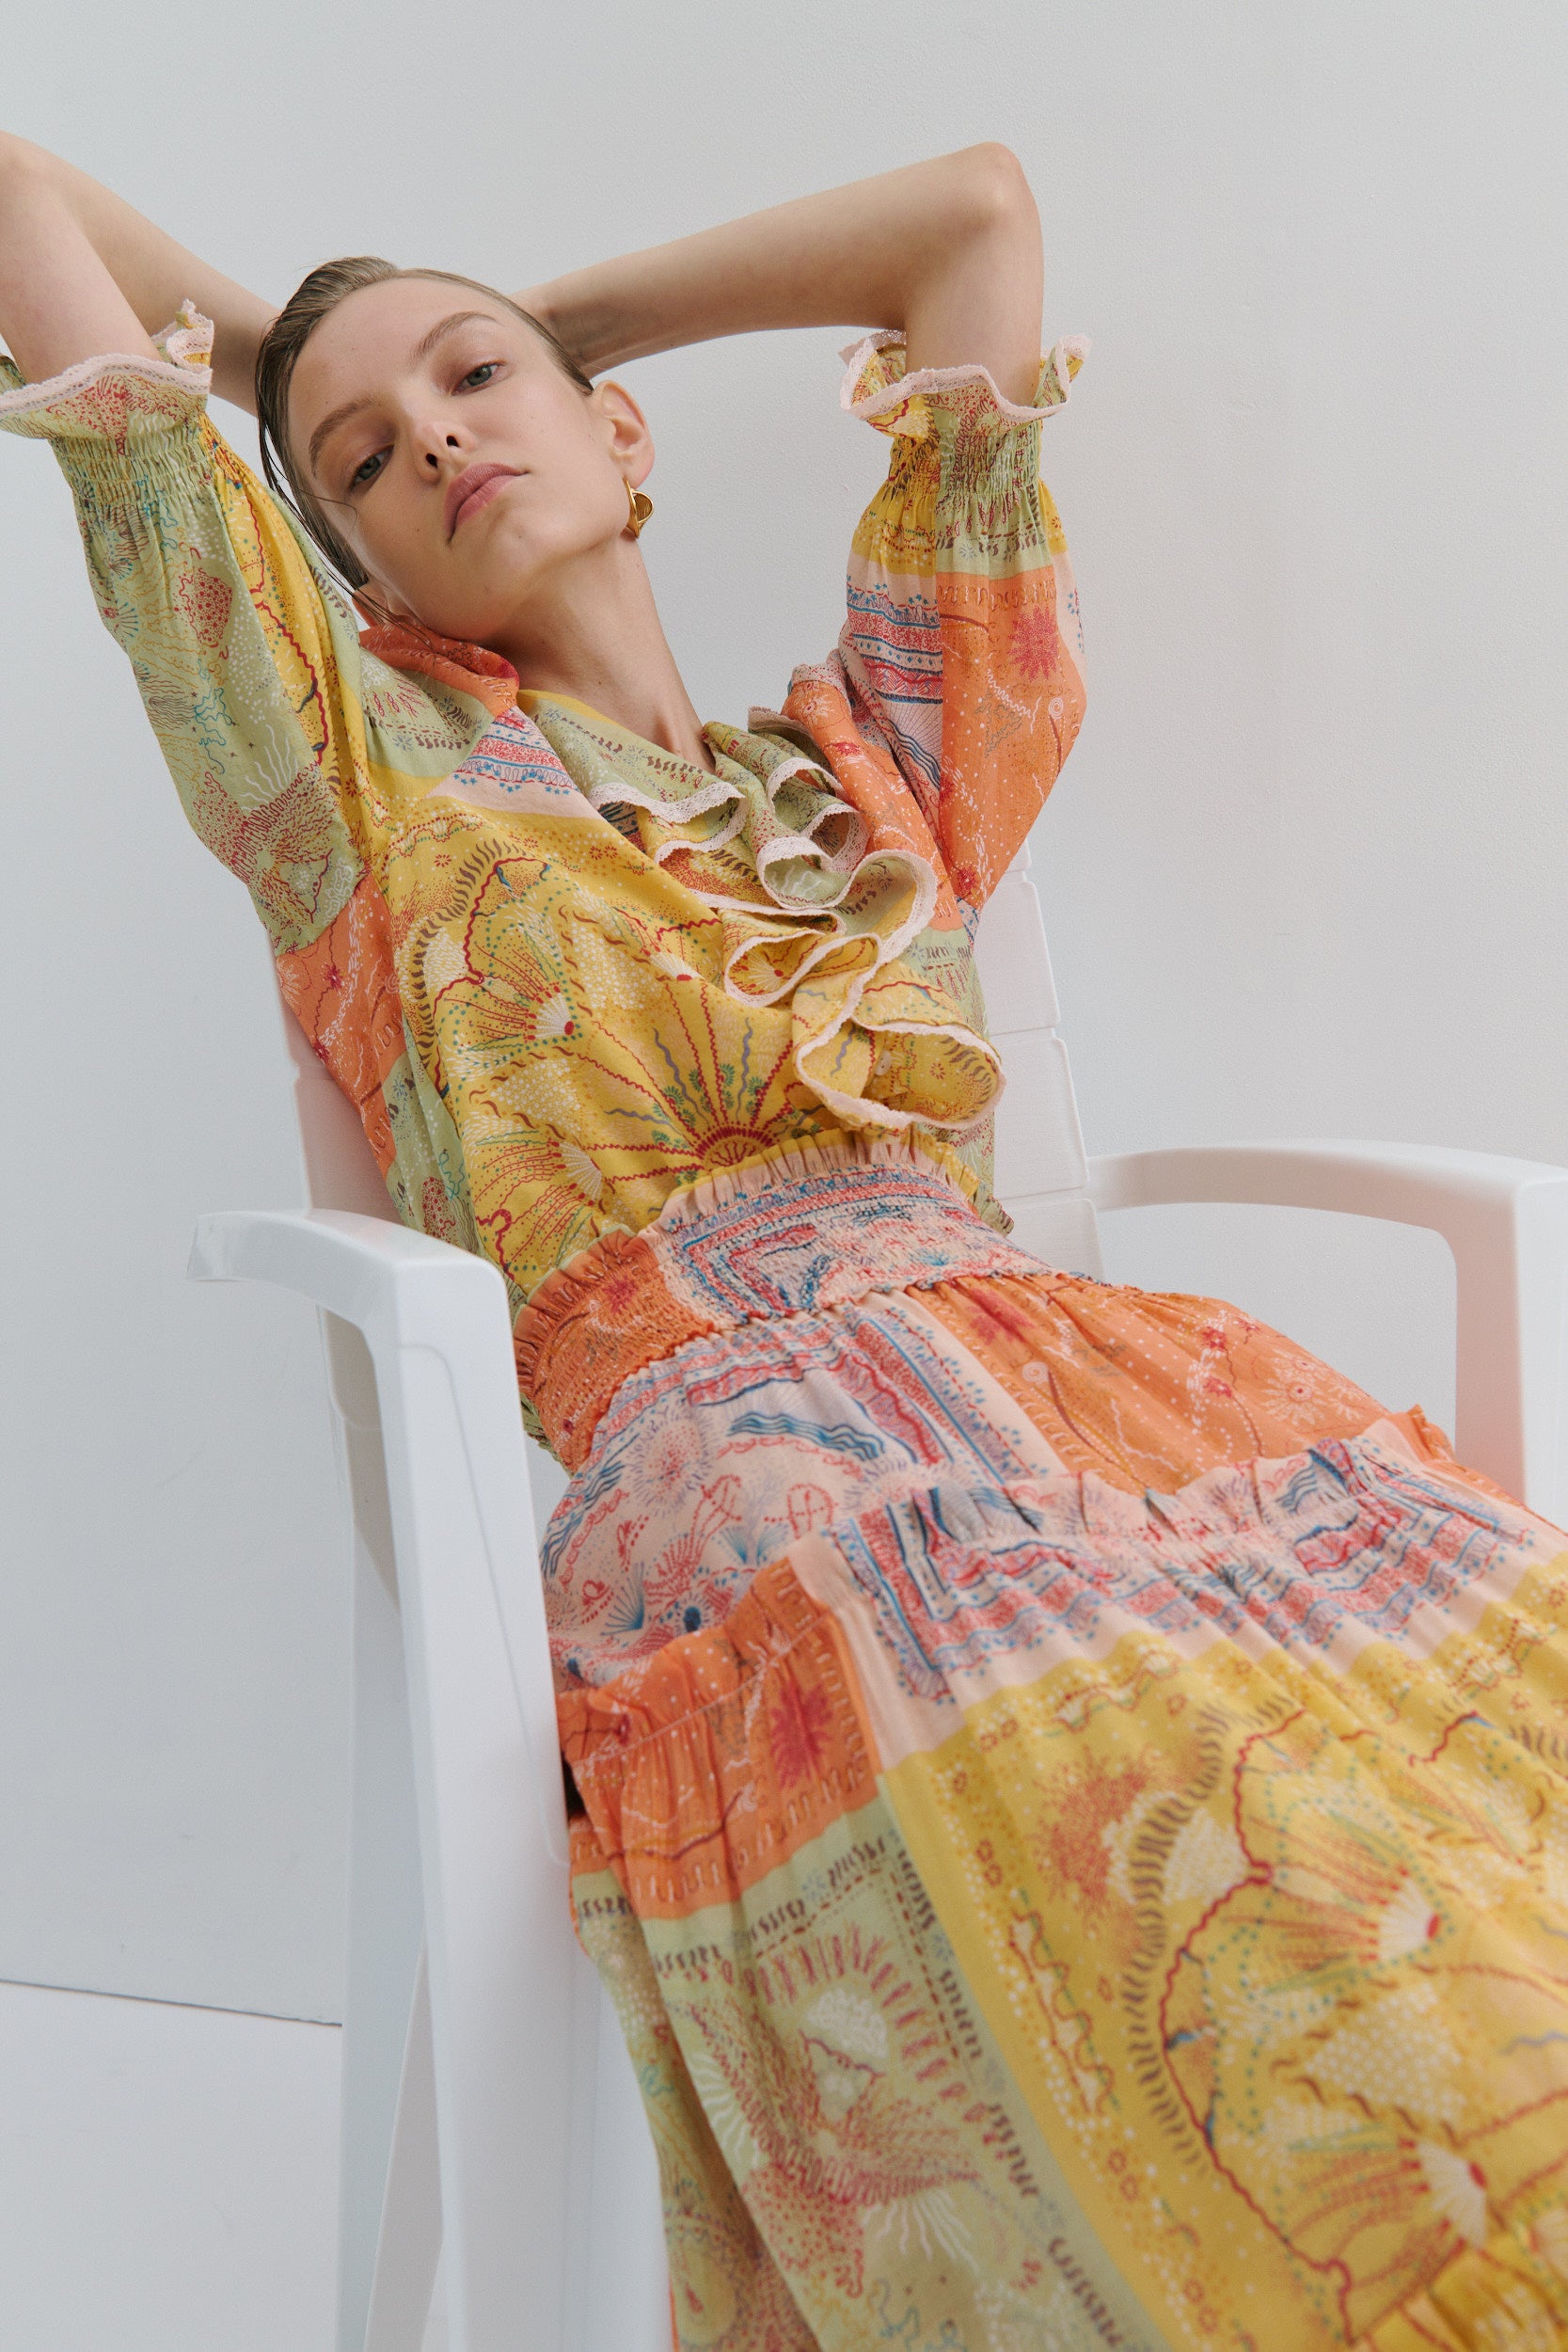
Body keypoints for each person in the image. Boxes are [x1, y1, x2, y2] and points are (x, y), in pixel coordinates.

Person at [5, 129, 1568, 2351]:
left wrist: (549, 334)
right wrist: (290, 378)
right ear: (346, 576)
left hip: (1119, 1399)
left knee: (1459, 1814)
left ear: (620, 434)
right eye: (363, 454)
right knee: (1172, 1840)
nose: (434, 429)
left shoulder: (874, 775)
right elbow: (15, 196)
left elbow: (975, 223)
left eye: (480, 381)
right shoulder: (351, 791)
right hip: (749, 1483)